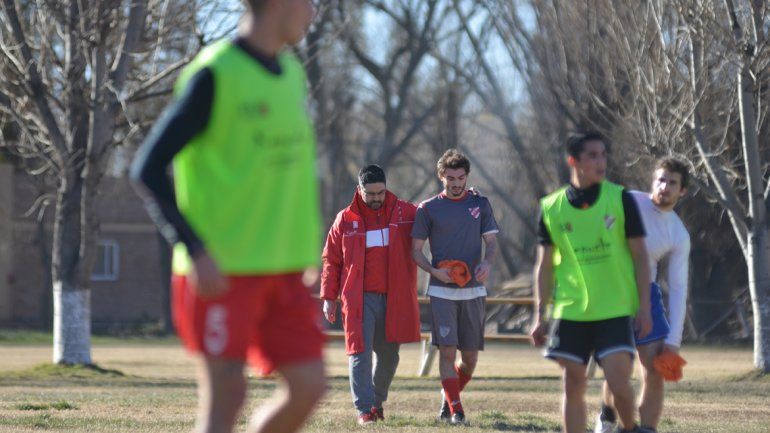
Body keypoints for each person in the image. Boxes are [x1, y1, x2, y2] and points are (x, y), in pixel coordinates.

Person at [130, 1, 325, 432]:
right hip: (221, 270)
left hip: (284, 269)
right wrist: (195, 249)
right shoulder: (214, 74)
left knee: (309, 384)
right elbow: (147, 168)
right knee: (226, 398)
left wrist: (306, 253)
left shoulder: (292, 73)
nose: (313, 11)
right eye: (308, 2)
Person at [530, 132, 653, 433]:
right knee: (573, 384)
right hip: (570, 311)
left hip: (613, 308)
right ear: (574, 161)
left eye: (603, 155)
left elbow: (640, 257)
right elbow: (544, 265)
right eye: (592, 156)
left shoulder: (620, 199)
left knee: (618, 382)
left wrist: (644, 308)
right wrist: (539, 315)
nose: (601, 162)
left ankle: (629, 427)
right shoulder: (552, 207)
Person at [595, 158, 691, 433]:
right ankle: (607, 418)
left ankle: (646, 429)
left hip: (646, 295)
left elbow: (679, 289)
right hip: (612, 293)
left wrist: (673, 342)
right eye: (661, 179)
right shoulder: (629, 201)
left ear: (682, 191)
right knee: (619, 368)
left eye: (672, 182)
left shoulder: (678, 234)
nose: (665, 186)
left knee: (656, 368)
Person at [320, 164, 421, 425]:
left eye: (381, 193)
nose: (377, 198)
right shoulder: (345, 219)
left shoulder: (405, 212)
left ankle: (376, 402)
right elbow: (331, 260)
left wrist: (461, 195)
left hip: (394, 298)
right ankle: (364, 410)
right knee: (359, 354)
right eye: (371, 193)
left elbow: (435, 214)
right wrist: (328, 298)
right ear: (359, 190)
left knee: (390, 357)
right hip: (359, 300)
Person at [411, 149, 500, 425]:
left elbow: (493, 243)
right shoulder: (427, 209)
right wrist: (434, 271)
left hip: (473, 291)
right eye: (450, 178)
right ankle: (457, 411)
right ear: (441, 177)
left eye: (461, 177)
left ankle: (448, 396)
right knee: (447, 351)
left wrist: (487, 264)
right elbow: (415, 250)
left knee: (470, 359)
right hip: (441, 292)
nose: (456, 183)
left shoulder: (480, 204)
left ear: (467, 176)